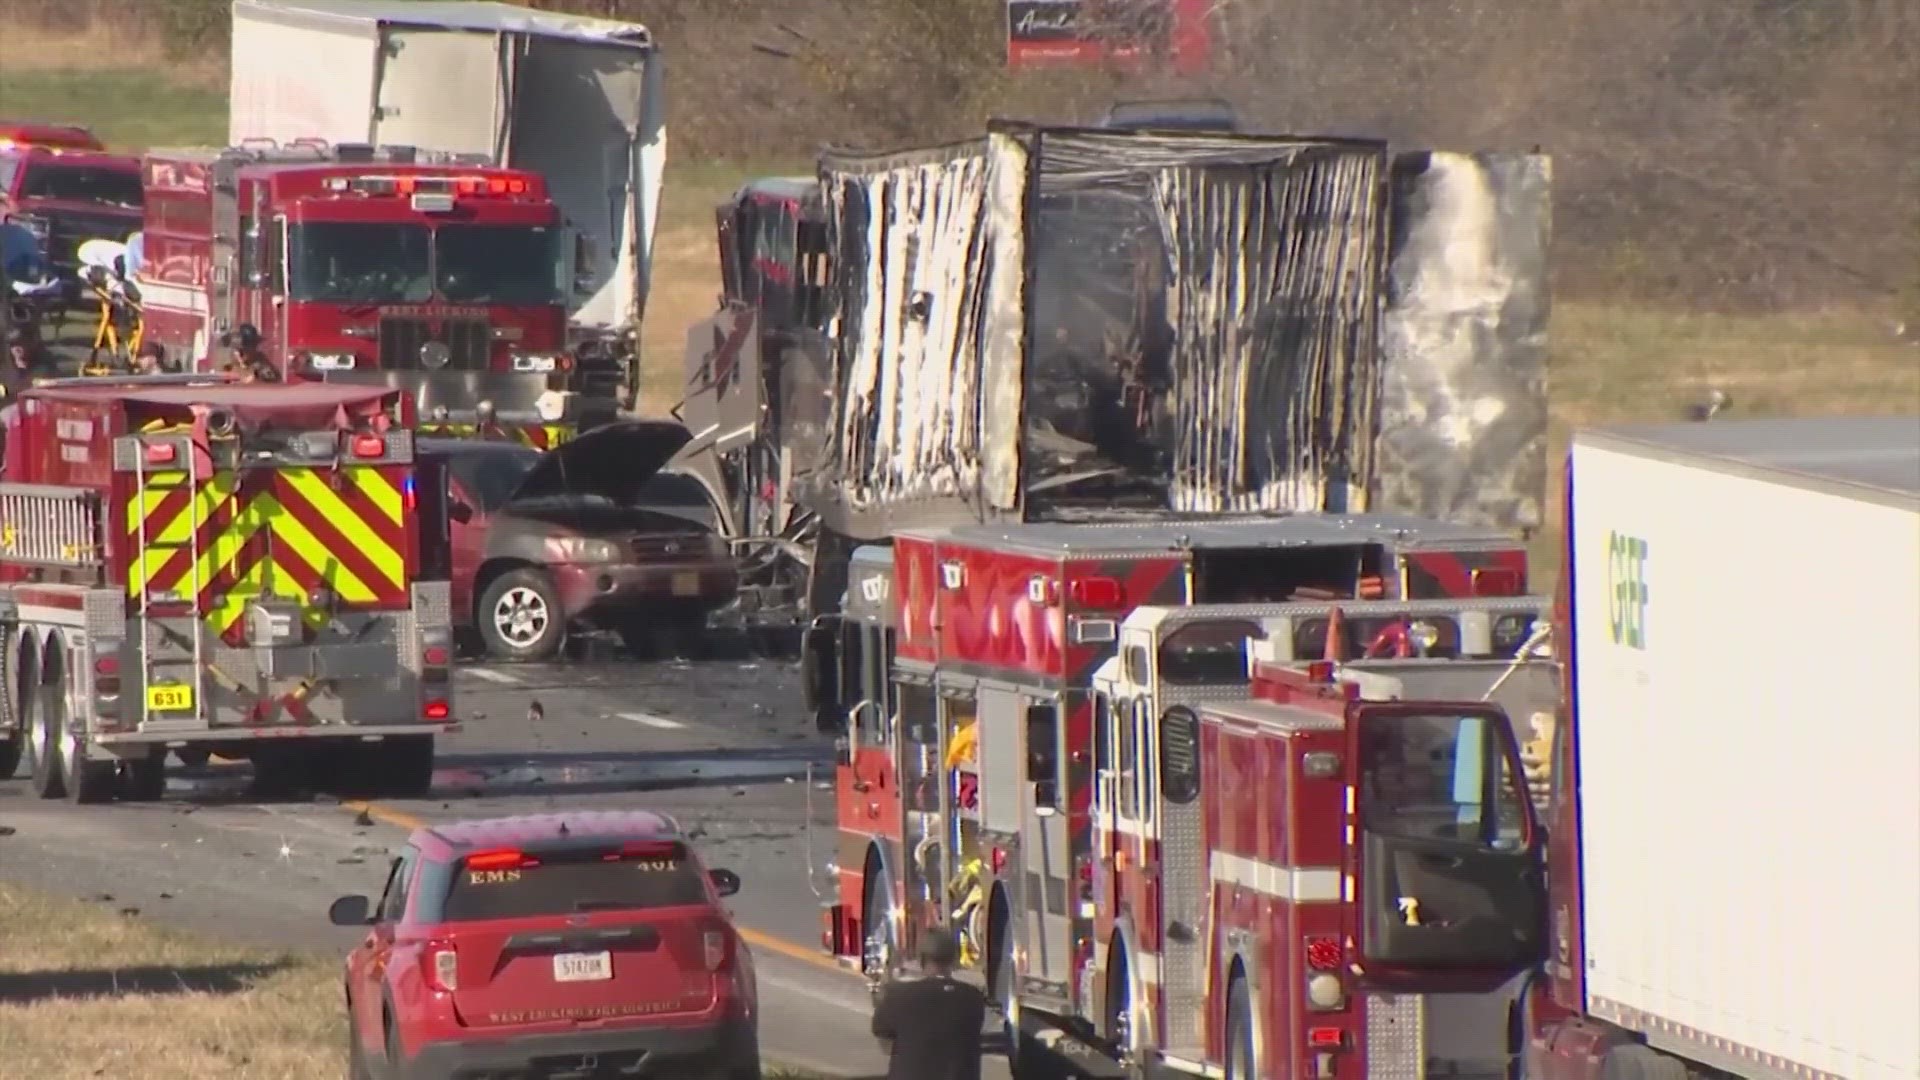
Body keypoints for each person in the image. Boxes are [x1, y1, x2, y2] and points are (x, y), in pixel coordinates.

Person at [870, 926, 987, 1080]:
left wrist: (883, 993)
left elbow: (881, 1033)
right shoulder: (973, 998)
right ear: (954, 959)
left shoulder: (899, 995)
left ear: (921, 960)